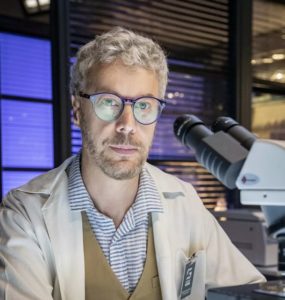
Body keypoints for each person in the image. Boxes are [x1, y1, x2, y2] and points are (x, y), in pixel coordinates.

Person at [0, 27, 265, 300]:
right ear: (77, 111)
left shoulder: (184, 201)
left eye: (144, 106)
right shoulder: (25, 214)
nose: (127, 125)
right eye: (108, 103)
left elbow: (248, 290)